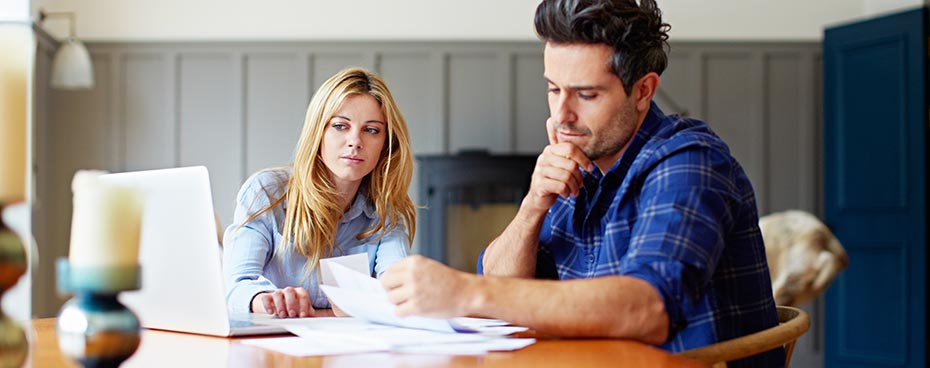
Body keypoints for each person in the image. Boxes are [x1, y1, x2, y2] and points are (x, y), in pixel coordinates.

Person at [380, 0, 782, 366]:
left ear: (643, 90)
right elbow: (501, 282)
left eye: (585, 94)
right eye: (553, 89)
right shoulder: (580, 158)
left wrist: (464, 292)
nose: (561, 114)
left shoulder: (690, 161)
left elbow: (648, 308)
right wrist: (534, 204)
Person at [224, 67, 416, 319]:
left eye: (371, 130)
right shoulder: (266, 193)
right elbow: (236, 287)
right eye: (340, 126)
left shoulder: (386, 212)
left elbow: (398, 291)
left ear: (386, 144)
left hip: (348, 347)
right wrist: (267, 301)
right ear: (318, 132)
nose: (355, 141)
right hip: (276, 344)